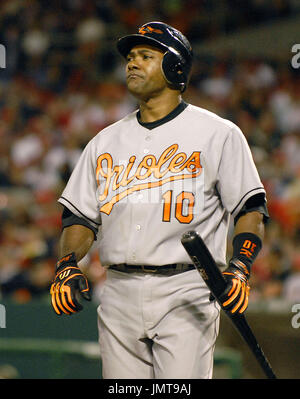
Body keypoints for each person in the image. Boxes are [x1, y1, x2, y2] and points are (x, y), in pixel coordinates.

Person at [50, 21, 269, 379]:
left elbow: (250, 209)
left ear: (175, 67)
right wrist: (68, 262)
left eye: (145, 56)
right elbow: (80, 218)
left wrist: (241, 266)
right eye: (130, 57)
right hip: (118, 290)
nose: (132, 63)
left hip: (186, 290)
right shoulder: (105, 141)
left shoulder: (218, 133)